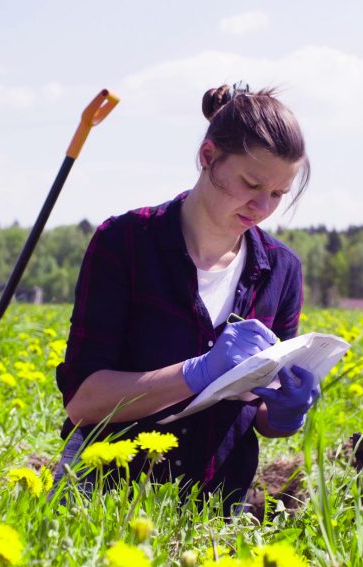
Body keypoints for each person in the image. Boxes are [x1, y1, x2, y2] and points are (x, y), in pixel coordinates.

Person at [54, 83, 317, 514]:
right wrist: (197, 372)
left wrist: (285, 412)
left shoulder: (281, 270)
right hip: (104, 503)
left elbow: (261, 411)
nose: (262, 205)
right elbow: (85, 402)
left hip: (217, 508)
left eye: (278, 194)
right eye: (251, 183)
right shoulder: (125, 244)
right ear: (208, 157)